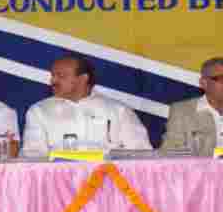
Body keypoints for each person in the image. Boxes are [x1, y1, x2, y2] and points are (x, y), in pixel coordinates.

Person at [21, 54, 152, 155]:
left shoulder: (119, 110)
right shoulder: (39, 111)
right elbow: (33, 155)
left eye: (61, 76)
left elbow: (141, 152)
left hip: (109, 180)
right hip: (59, 183)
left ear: (83, 79)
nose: (53, 81)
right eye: (53, 76)